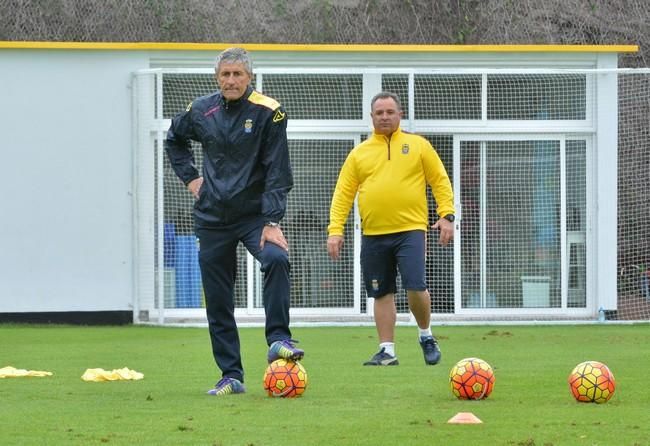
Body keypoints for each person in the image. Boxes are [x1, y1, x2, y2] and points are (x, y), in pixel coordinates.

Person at [164, 47, 304, 396]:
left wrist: (272, 220)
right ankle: (231, 375)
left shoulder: (270, 113)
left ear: (249, 77)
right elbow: (174, 140)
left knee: (276, 259)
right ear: (217, 77)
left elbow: (278, 171)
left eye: (237, 74)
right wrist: (191, 179)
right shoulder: (200, 110)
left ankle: (278, 339)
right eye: (225, 74)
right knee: (218, 298)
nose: (231, 80)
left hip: (255, 216)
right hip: (212, 218)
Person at [327, 91, 454, 366]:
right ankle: (387, 351)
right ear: (371, 117)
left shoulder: (418, 145)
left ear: (400, 114)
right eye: (379, 113)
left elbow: (440, 181)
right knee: (381, 292)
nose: (384, 117)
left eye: (390, 112)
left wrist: (447, 215)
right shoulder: (359, 154)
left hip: (411, 230)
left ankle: (425, 335)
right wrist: (335, 230)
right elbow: (343, 193)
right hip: (373, 234)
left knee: (415, 284)